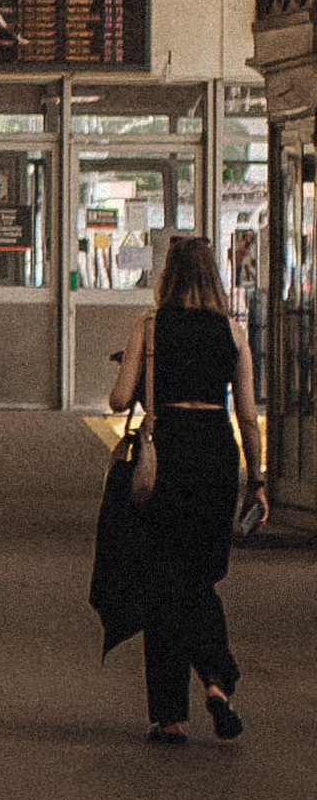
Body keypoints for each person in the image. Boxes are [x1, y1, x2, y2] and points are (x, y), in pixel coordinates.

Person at [117, 233, 266, 745]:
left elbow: (118, 400)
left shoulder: (150, 326)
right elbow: (247, 416)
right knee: (199, 576)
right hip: (216, 453)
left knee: (163, 580)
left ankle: (170, 715)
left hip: (168, 452)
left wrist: (135, 375)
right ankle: (219, 683)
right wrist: (258, 481)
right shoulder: (233, 331)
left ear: (168, 274)